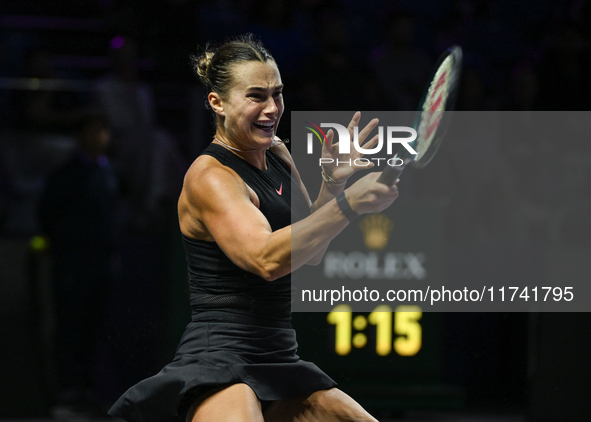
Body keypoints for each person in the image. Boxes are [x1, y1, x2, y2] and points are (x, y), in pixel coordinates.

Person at [108, 34, 398, 422]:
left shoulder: (276, 151)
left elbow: (310, 254)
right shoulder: (209, 176)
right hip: (220, 357)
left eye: (277, 94)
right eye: (256, 96)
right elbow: (264, 259)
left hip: (280, 355)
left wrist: (332, 183)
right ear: (218, 103)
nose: (272, 108)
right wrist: (349, 205)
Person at [38, 111, 117, 417]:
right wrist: (66, 249)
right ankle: (66, 394)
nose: (99, 137)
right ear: (80, 137)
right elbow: (48, 214)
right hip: (72, 266)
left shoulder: (109, 172)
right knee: (70, 327)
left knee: (96, 329)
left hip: (101, 266)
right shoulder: (66, 174)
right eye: (92, 131)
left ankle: (89, 391)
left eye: (103, 131)